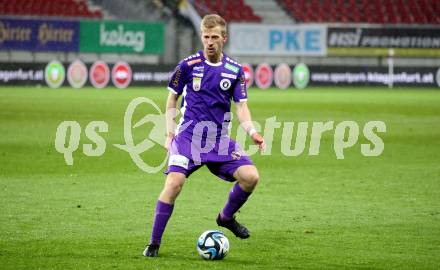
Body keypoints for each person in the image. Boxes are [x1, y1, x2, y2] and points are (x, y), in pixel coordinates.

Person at [143, 14, 265, 257]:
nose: (210, 42)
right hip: (188, 139)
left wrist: (252, 131)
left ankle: (226, 218)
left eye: (215, 37)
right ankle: (154, 243)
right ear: (202, 36)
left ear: (224, 38)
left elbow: (241, 106)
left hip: (218, 141)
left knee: (251, 177)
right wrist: (169, 134)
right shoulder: (187, 66)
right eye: (206, 36)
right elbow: (171, 99)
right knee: (174, 183)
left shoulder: (235, 70)